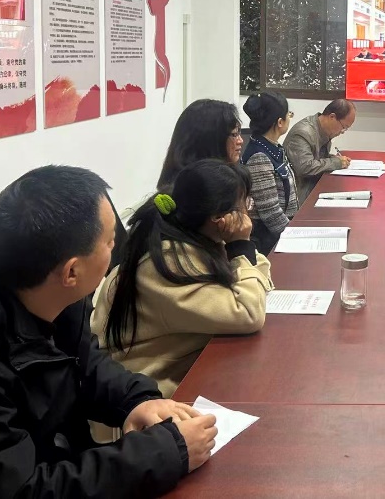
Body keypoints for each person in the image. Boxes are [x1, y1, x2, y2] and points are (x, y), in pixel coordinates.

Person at [0, 166, 218, 497]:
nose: (116, 246)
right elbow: (20, 490)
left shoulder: (44, 284)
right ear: (71, 272)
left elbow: (81, 363)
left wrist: (136, 400)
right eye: (110, 241)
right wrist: (163, 453)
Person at [92, 160, 273, 398]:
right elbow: (249, 313)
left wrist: (241, 250)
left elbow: (260, 280)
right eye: (244, 204)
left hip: (179, 371)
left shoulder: (200, 240)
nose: (247, 214)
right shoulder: (169, 263)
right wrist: (240, 246)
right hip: (141, 394)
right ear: (219, 218)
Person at [241, 91, 299, 254]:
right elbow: (270, 213)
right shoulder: (260, 157)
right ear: (280, 122)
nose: (290, 118)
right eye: (289, 114)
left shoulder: (272, 147)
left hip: (282, 233)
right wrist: (295, 239)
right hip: (271, 242)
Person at [157, 99, 243, 191]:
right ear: (210, 140)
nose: (240, 141)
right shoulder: (199, 191)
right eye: (234, 134)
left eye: (239, 133)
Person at [285, 99, 356, 201]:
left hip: (315, 185)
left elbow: (317, 157)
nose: (342, 132)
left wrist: (334, 158)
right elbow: (305, 167)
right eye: (344, 127)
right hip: (299, 196)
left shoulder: (324, 130)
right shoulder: (303, 133)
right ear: (332, 117)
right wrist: (336, 162)